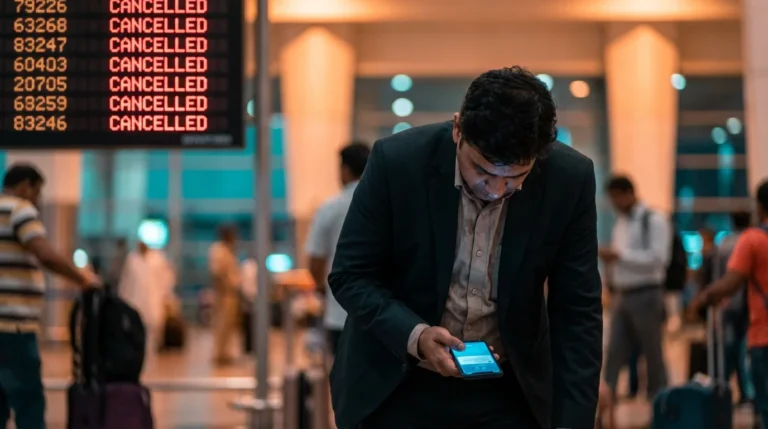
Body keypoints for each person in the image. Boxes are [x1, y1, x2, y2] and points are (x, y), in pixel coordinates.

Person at [328, 66, 602, 429]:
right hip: (397, 383)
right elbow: (351, 275)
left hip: (508, 390)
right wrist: (417, 335)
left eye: (515, 179)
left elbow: (577, 312)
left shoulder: (568, 179)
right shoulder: (397, 163)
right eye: (482, 172)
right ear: (458, 128)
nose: (496, 190)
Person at [0, 163, 100, 429]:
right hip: (14, 328)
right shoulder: (19, 210)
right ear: (25, 186)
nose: (39, 200)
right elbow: (43, 252)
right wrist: (82, 279)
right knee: (29, 404)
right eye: (37, 192)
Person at [690, 181, 768, 428]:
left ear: (759, 206)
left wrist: (703, 298)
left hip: (763, 334)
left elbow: (731, 281)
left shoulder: (753, 239)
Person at [600, 176, 670, 404]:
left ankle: (659, 402)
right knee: (614, 351)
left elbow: (659, 259)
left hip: (647, 292)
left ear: (627, 193)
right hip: (623, 293)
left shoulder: (654, 220)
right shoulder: (621, 222)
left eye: (615, 198)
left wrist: (620, 256)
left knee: (652, 352)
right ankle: (605, 401)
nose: (614, 204)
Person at [305, 142, 371, 356]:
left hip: (339, 312)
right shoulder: (386, 205)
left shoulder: (330, 208)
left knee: (343, 380)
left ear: (344, 170)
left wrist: (322, 289)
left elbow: (315, 261)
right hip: (380, 315)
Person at [715, 211, 753, 405]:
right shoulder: (754, 241)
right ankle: (747, 393)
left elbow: (719, 276)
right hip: (750, 306)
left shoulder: (724, 245)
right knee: (745, 351)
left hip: (728, 304)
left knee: (728, 350)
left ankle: (722, 391)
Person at [118, 241, 175, 365]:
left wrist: (167, 299)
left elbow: (167, 280)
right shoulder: (132, 259)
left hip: (154, 301)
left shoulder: (158, 259)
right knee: (135, 332)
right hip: (135, 301)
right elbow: (126, 283)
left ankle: (151, 360)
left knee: (153, 332)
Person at [208, 224, 241, 365]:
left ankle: (225, 352)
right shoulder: (218, 250)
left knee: (229, 325)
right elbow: (217, 273)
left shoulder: (228, 250)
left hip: (230, 293)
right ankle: (219, 354)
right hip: (224, 293)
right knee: (221, 324)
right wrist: (223, 290)